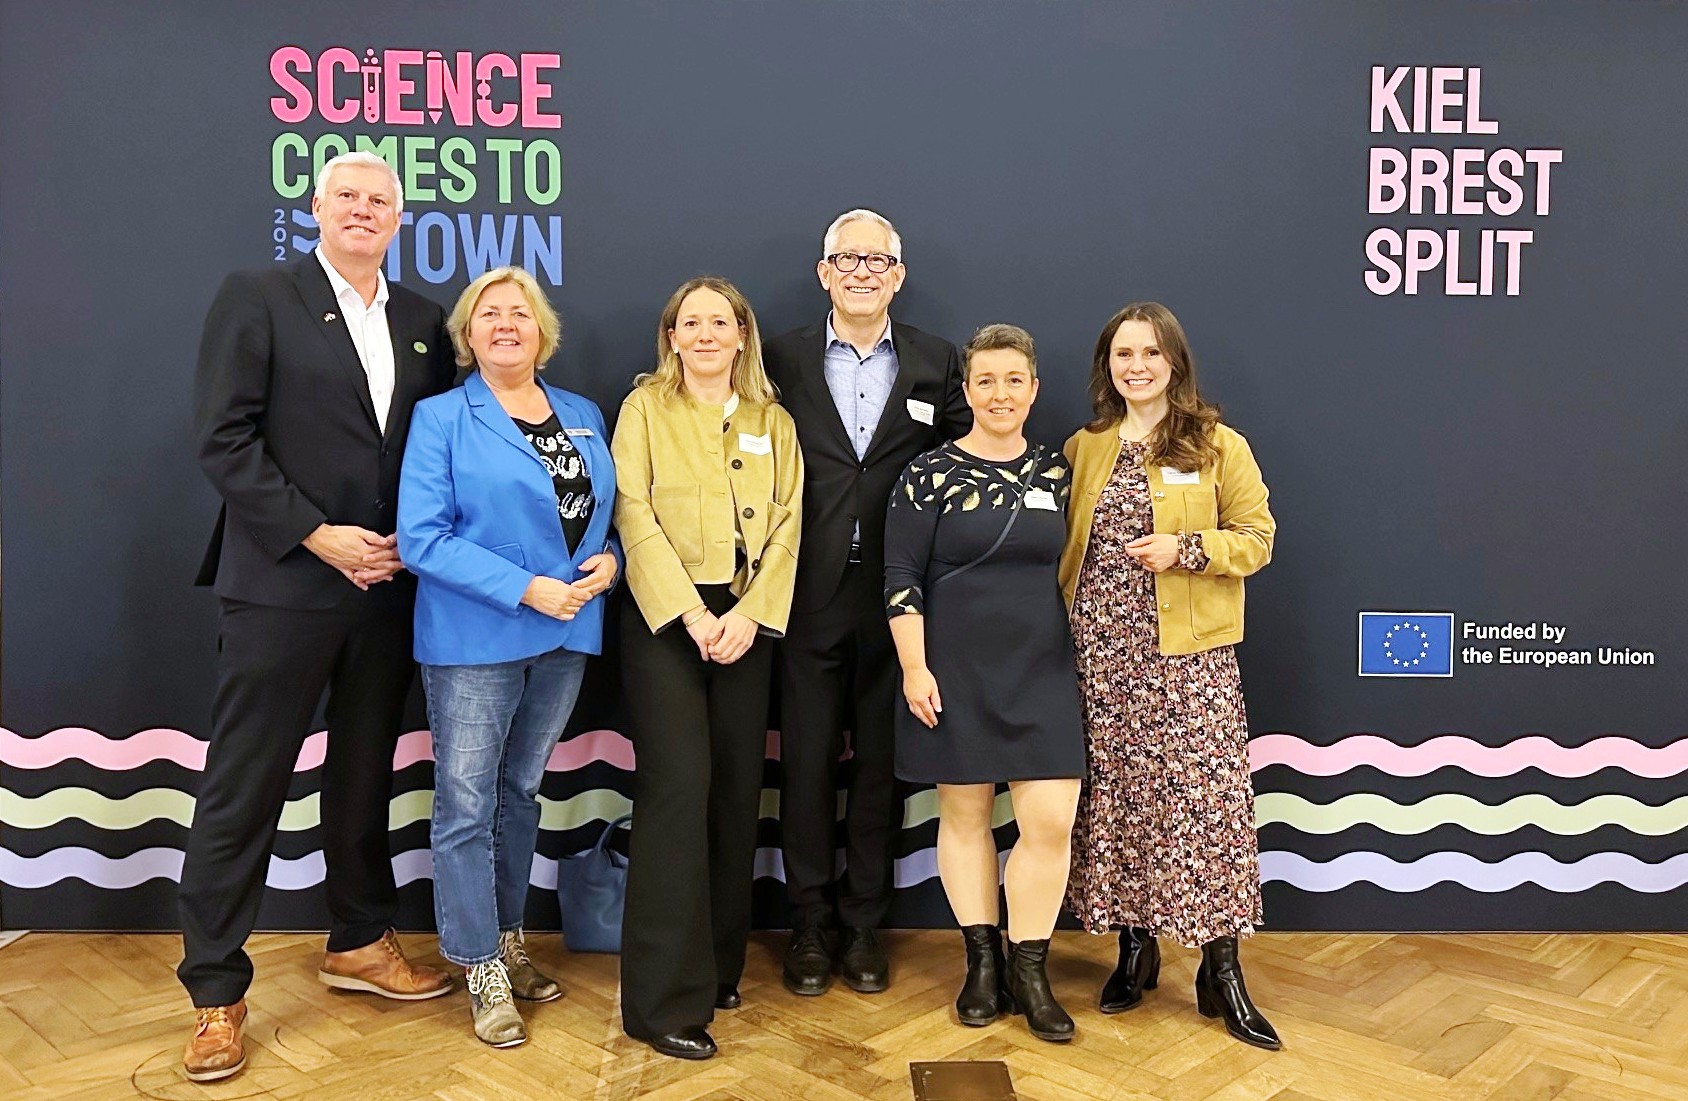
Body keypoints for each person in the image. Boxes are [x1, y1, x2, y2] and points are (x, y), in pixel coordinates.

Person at [179, 151, 457, 1082]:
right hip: (282, 583)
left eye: (380, 199)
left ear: (399, 218)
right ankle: (215, 989)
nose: (363, 209)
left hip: (389, 587)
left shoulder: (424, 320)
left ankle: (360, 937)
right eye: (347, 195)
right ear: (316, 205)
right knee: (244, 783)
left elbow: (435, 446)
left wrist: (417, 537)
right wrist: (315, 533)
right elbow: (223, 436)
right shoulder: (258, 296)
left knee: (366, 770)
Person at [397, 266, 620, 1047]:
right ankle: (478, 962)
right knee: (466, 803)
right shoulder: (440, 417)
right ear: (467, 335)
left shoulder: (583, 413)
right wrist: (525, 588)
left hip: (566, 632)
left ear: (542, 331)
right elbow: (422, 538)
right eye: (488, 313)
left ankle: (509, 936)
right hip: (476, 636)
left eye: (519, 313)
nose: (505, 324)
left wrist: (613, 561)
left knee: (520, 792)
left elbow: (598, 515)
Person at [1058, 301, 1280, 1050]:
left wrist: (1186, 548)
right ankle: (1134, 949)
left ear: (1175, 362)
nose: (1138, 366)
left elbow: (1257, 537)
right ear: (1108, 365)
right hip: (1102, 657)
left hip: (1188, 659)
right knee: (1120, 802)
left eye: (1151, 353)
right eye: (1124, 354)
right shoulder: (1085, 447)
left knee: (1206, 808)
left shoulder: (1218, 445)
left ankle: (1222, 969)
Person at [762, 209, 969, 996]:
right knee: (807, 763)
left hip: (899, 597)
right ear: (823, 273)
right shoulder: (778, 356)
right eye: (846, 259)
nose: (860, 272)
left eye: (876, 260)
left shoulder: (935, 360)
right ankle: (810, 923)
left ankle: (862, 924)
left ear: (898, 276)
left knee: (881, 770)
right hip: (804, 591)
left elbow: (961, 462)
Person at [612, 276, 803, 1060]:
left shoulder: (772, 420)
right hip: (667, 620)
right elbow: (632, 511)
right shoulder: (644, 409)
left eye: (719, 322)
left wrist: (750, 613)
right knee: (678, 788)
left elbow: (790, 522)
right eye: (689, 322)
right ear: (671, 336)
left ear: (741, 334)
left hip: (747, 621)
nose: (704, 334)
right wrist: (692, 614)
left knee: (733, 788)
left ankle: (720, 966)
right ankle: (660, 1001)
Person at [883, 325, 1086, 1042]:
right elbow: (901, 577)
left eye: (1013, 380)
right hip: (953, 669)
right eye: (986, 381)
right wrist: (915, 667)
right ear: (967, 392)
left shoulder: (1059, 470)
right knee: (965, 815)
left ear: (1034, 389)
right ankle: (982, 963)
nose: (1000, 394)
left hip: (1043, 668)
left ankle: (1030, 970)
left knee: (1050, 821)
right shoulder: (928, 472)